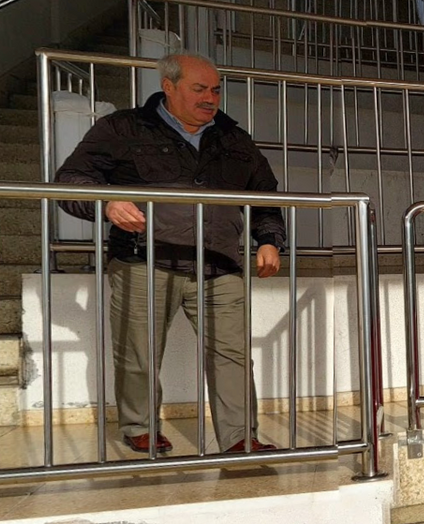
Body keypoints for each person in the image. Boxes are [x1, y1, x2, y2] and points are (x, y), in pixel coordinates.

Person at [56, 53, 287, 456]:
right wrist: (107, 203)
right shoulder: (123, 128)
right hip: (144, 260)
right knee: (138, 352)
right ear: (169, 87)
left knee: (232, 357)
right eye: (199, 89)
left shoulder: (234, 138)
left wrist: (269, 239)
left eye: (215, 89)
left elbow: (264, 197)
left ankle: (239, 438)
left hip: (219, 264)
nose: (210, 98)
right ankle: (140, 426)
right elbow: (70, 181)